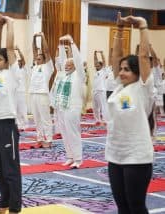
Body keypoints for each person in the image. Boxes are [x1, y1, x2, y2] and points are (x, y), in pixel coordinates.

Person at [106, 13, 154, 214]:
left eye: (127, 69)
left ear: (137, 72)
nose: (122, 71)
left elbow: (143, 56)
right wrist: (118, 30)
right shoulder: (119, 87)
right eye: (122, 69)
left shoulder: (143, 88)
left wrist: (143, 26)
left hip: (137, 156)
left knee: (136, 206)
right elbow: (115, 57)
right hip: (115, 154)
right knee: (122, 206)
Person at [0, 15, 21, 214]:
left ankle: (15, 209)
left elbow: (8, 48)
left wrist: (9, 23)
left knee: (10, 171)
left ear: (8, 61)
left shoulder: (12, 73)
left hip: (7, 124)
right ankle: (4, 204)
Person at [52, 34, 85, 168]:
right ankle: (70, 156)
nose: (66, 65)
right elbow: (60, 60)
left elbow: (77, 58)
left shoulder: (79, 75)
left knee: (73, 133)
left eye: (70, 64)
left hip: (72, 107)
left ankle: (78, 159)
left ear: (75, 66)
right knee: (65, 133)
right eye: (66, 64)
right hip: (62, 107)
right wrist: (60, 45)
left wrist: (71, 42)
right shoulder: (64, 76)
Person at [30, 32, 54, 148]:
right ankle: (39, 138)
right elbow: (34, 50)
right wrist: (34, 38)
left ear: (44, 60)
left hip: (43, 95)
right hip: (33, 94)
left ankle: (48, 140)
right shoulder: (35, 66)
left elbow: (46, 52)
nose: (37, 60)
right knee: (36, 119)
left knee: (45, 119)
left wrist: (43, 37)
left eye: (39, 59)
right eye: (37, 59)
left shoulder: (48, 67)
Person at [92, 50, 109, 124]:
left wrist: (102, 54)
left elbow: (104, 61)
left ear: (101, 66)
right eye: (96, 65)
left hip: (101, 91)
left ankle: (105, 120)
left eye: (98, 65)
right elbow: (95, 61)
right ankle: (97, 120)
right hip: (95, 91)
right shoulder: (96, 71)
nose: (96, 66)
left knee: (103, 107)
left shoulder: (104, 70)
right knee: (95, 107)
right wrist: (95, 54)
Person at [14, 46, 28, 131]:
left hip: (21, 92)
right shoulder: (14, 70)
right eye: (17, 62)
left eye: (19, 62)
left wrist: (18, 50)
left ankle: (25, 125)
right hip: (15, 92)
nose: (18, 62)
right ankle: (18, 125)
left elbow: (23, 59)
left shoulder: (23, 69)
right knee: (16, 109)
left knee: (22, 109)